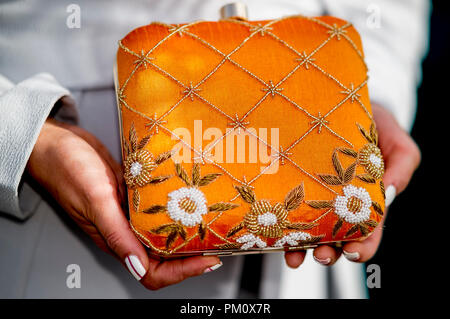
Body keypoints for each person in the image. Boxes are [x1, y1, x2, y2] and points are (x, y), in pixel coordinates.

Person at [0, 0, 428, 298]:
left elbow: (389, 9)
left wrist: (373, 102)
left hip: (320, 105)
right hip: (86, 152)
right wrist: (23, 131)